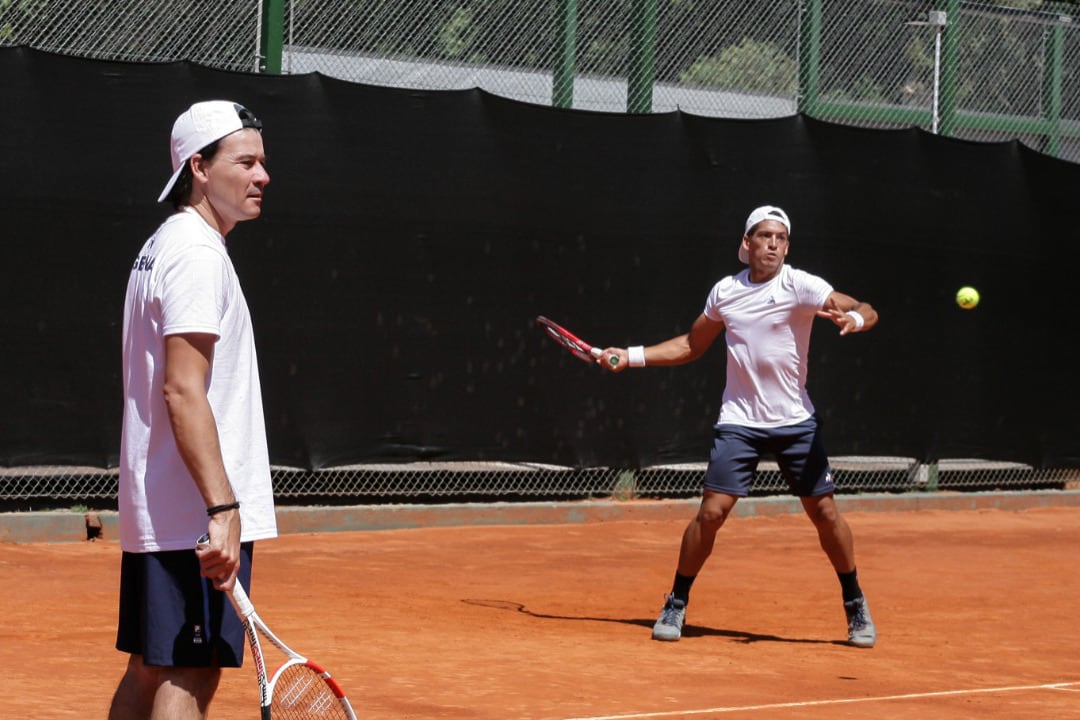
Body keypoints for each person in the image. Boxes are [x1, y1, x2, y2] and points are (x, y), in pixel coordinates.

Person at [600, 205, 879, 647]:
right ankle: (677, 599)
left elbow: (864, 306)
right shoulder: (725, 292)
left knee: (825, 514)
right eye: (765, 236)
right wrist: (629, 356)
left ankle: (854, 601)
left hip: (795, 422)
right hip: (740, 422)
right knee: (711, 512)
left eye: (781, 238)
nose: (773, 243)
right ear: (746, 245)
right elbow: (692, 345)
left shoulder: (802, 284)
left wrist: (856, 319)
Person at [109, 100, 278, 719]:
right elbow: (183, 389)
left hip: (167, 506)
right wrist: (223, 508)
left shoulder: (166, 246)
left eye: (263, 163)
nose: (262, 176)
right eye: (247, 162)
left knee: (153, 665)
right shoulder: (198, 255)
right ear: (199, 168)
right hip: (193, 513)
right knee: (189, 670)